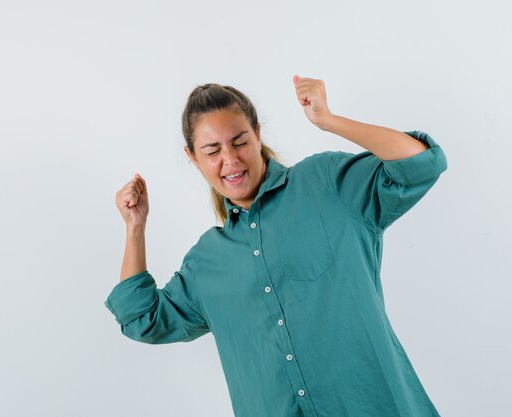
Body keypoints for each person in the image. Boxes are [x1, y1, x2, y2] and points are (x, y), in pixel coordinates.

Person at [104, 76, 448, 417]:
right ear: (193, 158)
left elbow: (421, 164)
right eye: (212, 150)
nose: (230, 159)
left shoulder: (326, 185)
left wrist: (328, 120)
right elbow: (142, 319)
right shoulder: (207, 262)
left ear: (257, 134)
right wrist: (135, 226)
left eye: (239, 141)